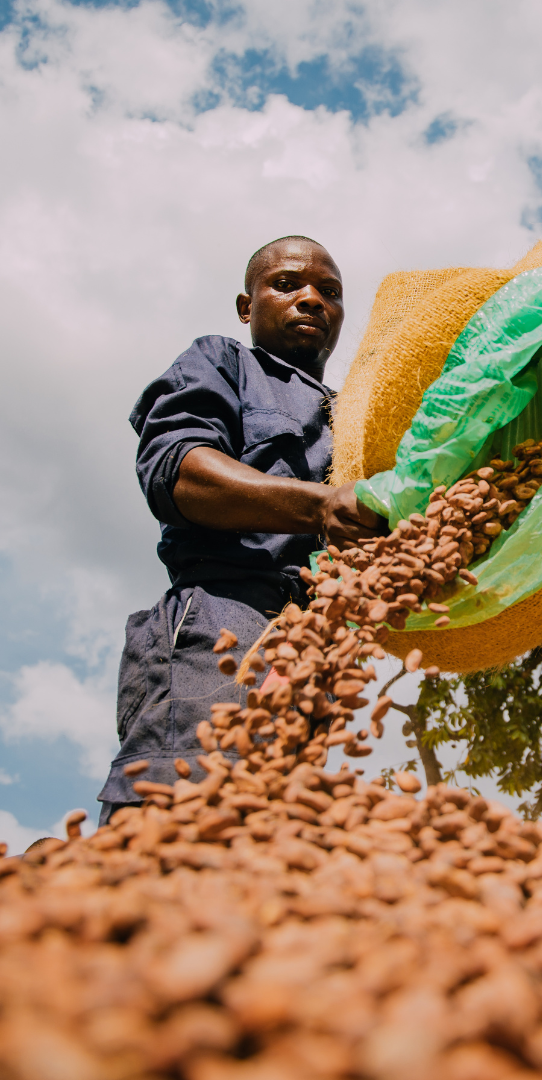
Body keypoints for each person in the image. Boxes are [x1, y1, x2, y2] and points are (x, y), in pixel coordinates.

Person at [97, 236, 381, 824]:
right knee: (182, 817)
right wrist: (320, 505)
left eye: (330, 292)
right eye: (287, 284)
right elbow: (179, 473)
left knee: (270, 836)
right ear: (246, 307)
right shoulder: (224, 361)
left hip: (313, 650)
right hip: (223, 619)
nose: (312, 299)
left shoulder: (356, 416)